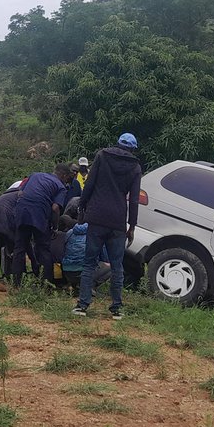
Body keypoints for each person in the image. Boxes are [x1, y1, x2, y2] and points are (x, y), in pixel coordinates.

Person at [73, 133, 142, 319]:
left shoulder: (102, 156)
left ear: (118, 143)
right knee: (117, 266)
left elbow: (89, 184)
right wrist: (132, 226)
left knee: (89, 263)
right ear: (133, 149)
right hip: (118, 221)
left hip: (96, 216)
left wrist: (82, 208)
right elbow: (134, 200)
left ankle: (82, 305)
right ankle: (116, 308)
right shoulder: (135, 167)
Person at [10, 163, 73, 288]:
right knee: (43, 249)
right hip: (39, 215)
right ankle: (46, 285)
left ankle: (16, 285)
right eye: (67, 178)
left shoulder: (35, 175)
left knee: (19, 248)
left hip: (22, 212)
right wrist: (54, 227)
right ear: (64, 175)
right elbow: (55, 208)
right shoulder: (60, 187)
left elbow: (20, 193)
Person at [61, 219, 111, 295]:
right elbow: (105, 258)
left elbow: (65, 250)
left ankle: (74, 286)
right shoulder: (98, 233)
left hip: (68, 272)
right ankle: (89, 287)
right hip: (85, 273)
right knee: (111, 267)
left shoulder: (70, 232)